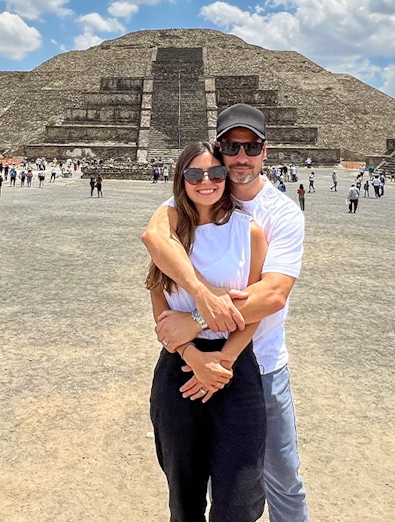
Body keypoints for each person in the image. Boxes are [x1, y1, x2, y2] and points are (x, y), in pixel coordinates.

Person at [143, 103, 311, 522]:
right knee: (195, 483)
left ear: (264, 151)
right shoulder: (190, 200)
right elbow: (154, 242)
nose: (240, 157)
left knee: (278, 476)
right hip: (187, 363)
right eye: (232, 147)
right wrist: (199, 306)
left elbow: (271, 296)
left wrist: (198, 325)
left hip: (260, 363)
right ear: (218, 149)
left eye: (250, 146)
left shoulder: (278, 215)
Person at [146, 142, 269, 522]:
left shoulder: (248, 232)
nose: (206, 182)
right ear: (181, 179)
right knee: (183, 495)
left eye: (216, 173)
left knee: (240, 497)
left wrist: (223, 362)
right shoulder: (169, 233)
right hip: (181, 367)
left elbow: (254, 309)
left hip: (234, 364)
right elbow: (162, 309)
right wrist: (194, 357)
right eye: (195, 174)